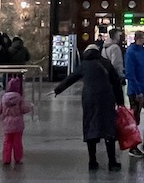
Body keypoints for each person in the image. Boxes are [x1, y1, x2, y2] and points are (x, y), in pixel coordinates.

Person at [54, 42, 125, 170]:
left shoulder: (84, 65)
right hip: (106, 98)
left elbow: (71, 78)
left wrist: (57, 90)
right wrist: (120, 103)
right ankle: (112, 162)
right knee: (108, 128)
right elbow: (116, 83)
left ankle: (92, 161)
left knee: (90, 126)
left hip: (89, 99)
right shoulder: (106, 63)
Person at [0, 75, 34, 166]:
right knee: (17, 142)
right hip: (18, 125)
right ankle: (18, 158)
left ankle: (6, 159)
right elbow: (23, 109)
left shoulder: (4, 98)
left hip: (7, 124)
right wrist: (30, 107)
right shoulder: (19, 98)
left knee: (7, 142)